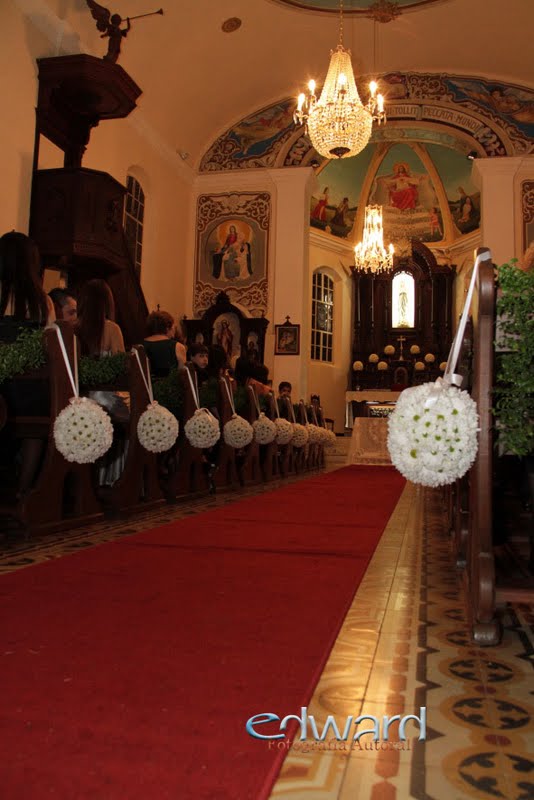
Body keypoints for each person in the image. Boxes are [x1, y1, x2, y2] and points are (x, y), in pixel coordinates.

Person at [0, 231, 55, 495]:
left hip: (1, 389)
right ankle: (23, 490)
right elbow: (50, 347)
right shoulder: (42, 301)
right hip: (30, 393)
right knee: (35, 428)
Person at [143, 310, 187, 378]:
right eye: (173, 326)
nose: (174, 329)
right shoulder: (178, 347)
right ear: (167, 328)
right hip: (170, 384)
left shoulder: (141, 345)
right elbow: (183, 377)